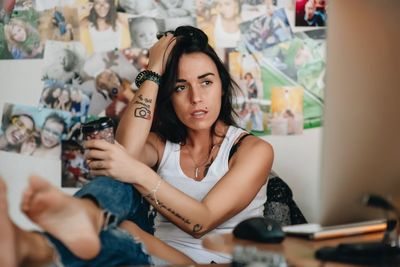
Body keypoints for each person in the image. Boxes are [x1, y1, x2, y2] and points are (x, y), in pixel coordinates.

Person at [0, 26, 273, 265]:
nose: (196, 97)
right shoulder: (161, 144)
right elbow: (125, 154)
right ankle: (59, 229)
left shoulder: (253, 151)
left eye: (206, 82)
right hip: (152, 256)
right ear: (168, 96)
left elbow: (201, 222)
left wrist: (137, 172)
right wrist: (153, 70)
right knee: (118, 190)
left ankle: (42, 241)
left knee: (124, 183)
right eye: (180, 87)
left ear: (222, 87)